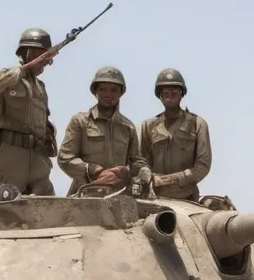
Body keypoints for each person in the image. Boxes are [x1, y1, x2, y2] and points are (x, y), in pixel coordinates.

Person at [0, 28, 59, 200]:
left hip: (38, 158)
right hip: (10, 155)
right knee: (7, 207)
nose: (45, 62)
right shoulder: (8, 77)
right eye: (41, 56)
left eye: (48, 57)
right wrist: (23, 69)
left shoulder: (41, 88)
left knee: (48, 208)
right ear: (28, 53)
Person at [58, 66, 150, 196]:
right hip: (86, 193)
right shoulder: (80, 122)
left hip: (119, 196)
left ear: (120, 93)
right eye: (103, 90)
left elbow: (136, 161)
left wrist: (142, 170)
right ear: (95, 91)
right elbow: (64, 158)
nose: (108, 95)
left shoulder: (128, 127)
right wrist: (95, 170)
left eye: (114, 90)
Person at [139, 69, 212, 202]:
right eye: (165, 93)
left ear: (181, 94)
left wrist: (171, 179)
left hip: (187, 197)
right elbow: (140, 160)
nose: (170, 96)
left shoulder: (197, 124)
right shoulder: (148, 126)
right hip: (153, 197)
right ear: (160, 96)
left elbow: (203, 166)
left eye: (174, 92)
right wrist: (148, 175)